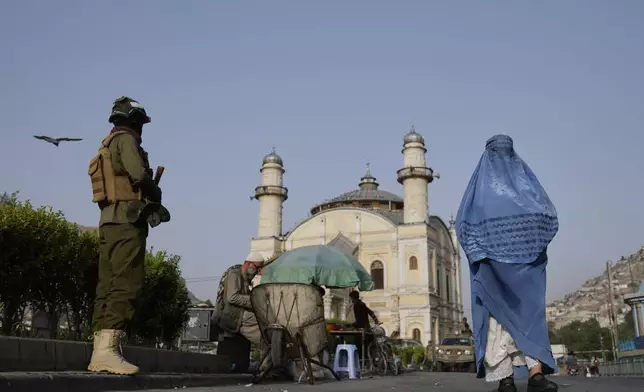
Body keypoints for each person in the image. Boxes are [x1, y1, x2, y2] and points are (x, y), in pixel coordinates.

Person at [455, 135, 559, 392]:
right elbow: (548, 218)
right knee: (518, 320)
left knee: (512, 321)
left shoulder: (478, 191)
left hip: (515, 270)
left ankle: (523, 377)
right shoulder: (528, 188)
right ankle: (514, 377)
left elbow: (464, 226)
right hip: (507, 271)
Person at [87, 96, 162, 375]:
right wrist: (154, 191)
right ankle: (108, 352)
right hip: (128, 220)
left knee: (107, 284)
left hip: (108, 221)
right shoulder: (127, 140)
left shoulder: (106, 144)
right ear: (134, 121)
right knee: (125, 282)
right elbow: (139, 175)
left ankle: (100, 349)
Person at [212, 253, 267, 360]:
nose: (258, 271)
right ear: (248, 263)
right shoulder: (235, 274)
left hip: (239, 314)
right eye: (257, 267)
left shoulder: (244, 276)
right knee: (265, 337)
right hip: (234, 316)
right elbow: (232, 297)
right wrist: (255, 302)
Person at [348, 291, 379, 366]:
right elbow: (371, 312)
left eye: (351, 298)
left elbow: (359, 321)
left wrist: (351, 325)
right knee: (368, 349)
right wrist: (376, 320)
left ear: (352, 298)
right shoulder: (362, 304)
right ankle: (370, 363)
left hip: (362, 331)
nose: (351, 300)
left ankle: (361, 364)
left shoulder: (356, 305)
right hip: (368, 329)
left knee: (359, 347)